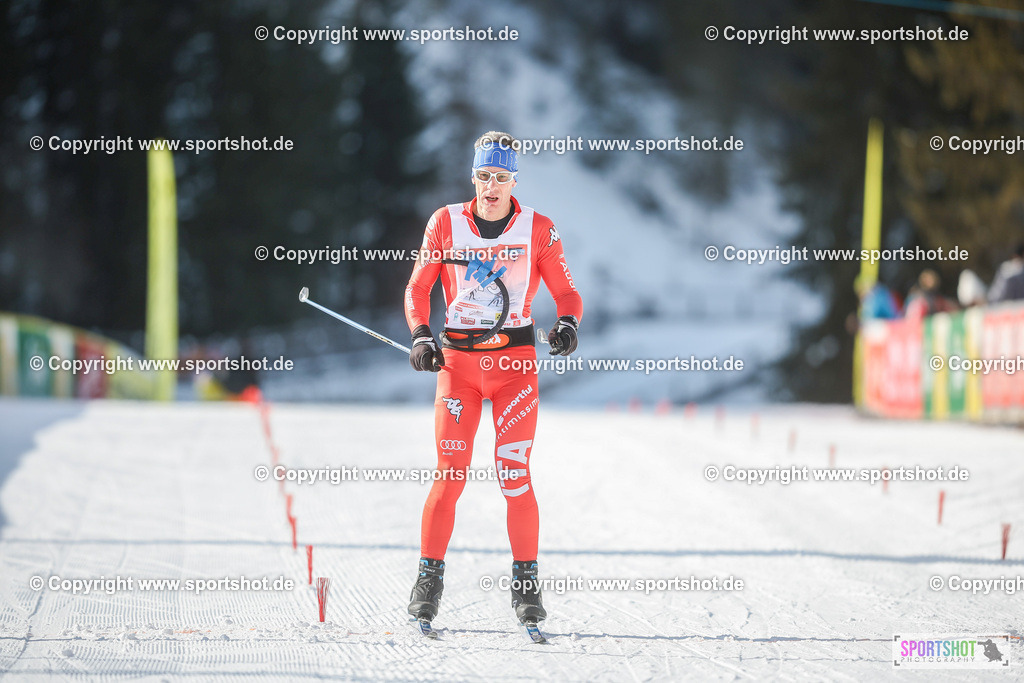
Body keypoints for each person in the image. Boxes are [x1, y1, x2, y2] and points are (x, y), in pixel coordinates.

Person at [403, 131, 583, 629]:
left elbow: (568, 294)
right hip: (458, 367)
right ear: (473, 177)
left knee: (514, 475)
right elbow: (418, 288)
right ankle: (428, 580)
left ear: (514, 181)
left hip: (514, 370)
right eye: (484, 176)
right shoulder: (445, 222)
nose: (491, 186)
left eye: (501, 177)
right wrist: (421, 336)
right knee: (450, 475)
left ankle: (526, 587)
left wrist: (566, 325)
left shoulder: (537, 229)